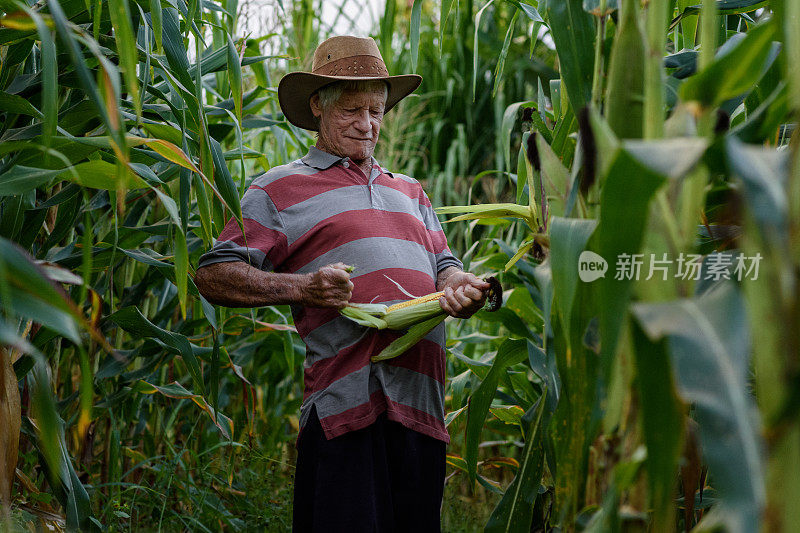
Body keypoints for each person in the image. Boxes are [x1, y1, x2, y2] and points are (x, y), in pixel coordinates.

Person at [194, 35, 489, 532]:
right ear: (318, 106)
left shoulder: (411, 192)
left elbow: (447, 266)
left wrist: (461, 287)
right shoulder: (279, 188)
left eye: (376, 111)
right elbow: (214, 274)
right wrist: (303, 288)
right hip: (346, 408)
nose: (368, 124)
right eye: (353, 110)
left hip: (421, 407)